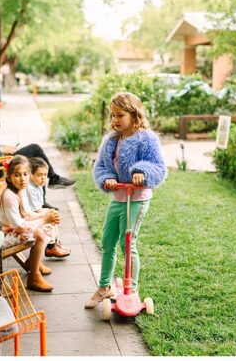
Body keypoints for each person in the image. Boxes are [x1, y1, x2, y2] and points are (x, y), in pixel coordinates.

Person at [85, 92, 166, 309]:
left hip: (137, 198)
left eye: (120, 115)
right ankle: (104, 287)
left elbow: (158, 167)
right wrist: (107, 178)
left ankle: (132, 288)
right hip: (119, 197)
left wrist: (141, 171)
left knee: (128, 242)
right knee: (108, 241)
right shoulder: (112, 140)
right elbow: (101, 167)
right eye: (112, 116)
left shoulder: (146, 139)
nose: (115, 120)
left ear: (134, 114)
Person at [0, 102, 77, 188]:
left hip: (0, 161)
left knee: (36, 161)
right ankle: (54, 179)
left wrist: (8, 148)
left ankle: (43, 197)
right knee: (35, 148)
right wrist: (2, 150)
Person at [0, 156, 61, 292]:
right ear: (9, 178)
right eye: (17, 175)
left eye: (25, 174)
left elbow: (26, 213)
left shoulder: (20, 189)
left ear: (29, 175)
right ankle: (34, 276)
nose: (22, 179)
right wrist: (44, 220)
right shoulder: (9, 196)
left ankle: (33, 262)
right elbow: (19, 226)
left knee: (47, 219)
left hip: (12, 228)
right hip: (1, 235)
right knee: (40, 235)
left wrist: (46, 214)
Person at [27, 158, 70, 258]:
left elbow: (40, 206)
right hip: (30, 216)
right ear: (31, 175)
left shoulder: (38, 186)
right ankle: (51, 247)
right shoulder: (30, 189)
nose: (43, 178)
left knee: (53, 214)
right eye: (39, 175)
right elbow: (35, 210)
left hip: (36, 212)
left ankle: (53, 244)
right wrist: (48, 214)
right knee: (51, 219)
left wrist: (49, 212)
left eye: (45, 175)